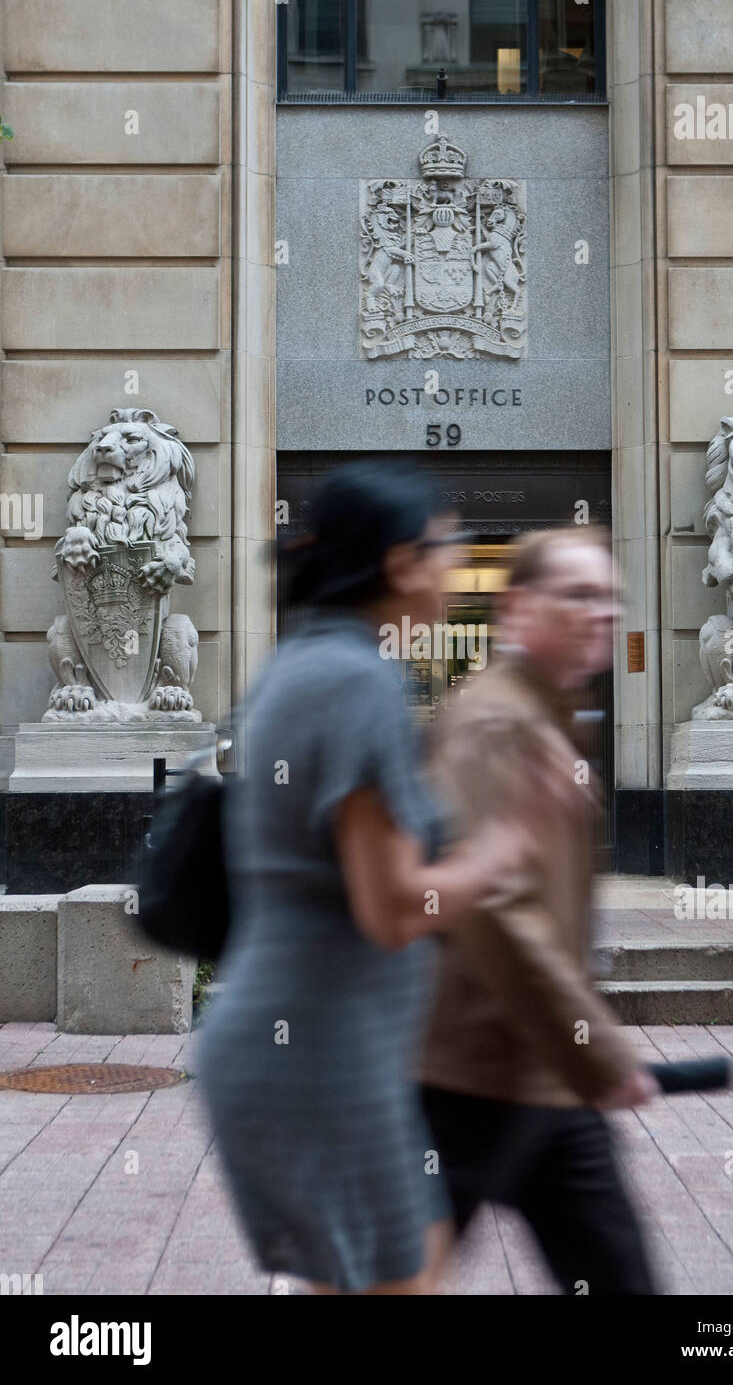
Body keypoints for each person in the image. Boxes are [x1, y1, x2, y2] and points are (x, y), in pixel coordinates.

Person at [197, 459, 534, 1295]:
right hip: (320, 1056)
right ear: (399, 562)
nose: (458, 561)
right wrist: (502, 850)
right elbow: (391, 906)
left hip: (310, 1047)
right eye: (447, 543)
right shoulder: (359, 681)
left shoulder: (303, 662)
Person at [419, 526, 660, 1296]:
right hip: (469, 1073)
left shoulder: (548, 713)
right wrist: (596, 1050)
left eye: (611, 597)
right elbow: (494, 907)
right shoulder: (497, 721)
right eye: (580, 595)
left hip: (534, 1072)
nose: (604, 613)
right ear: (518, 608)